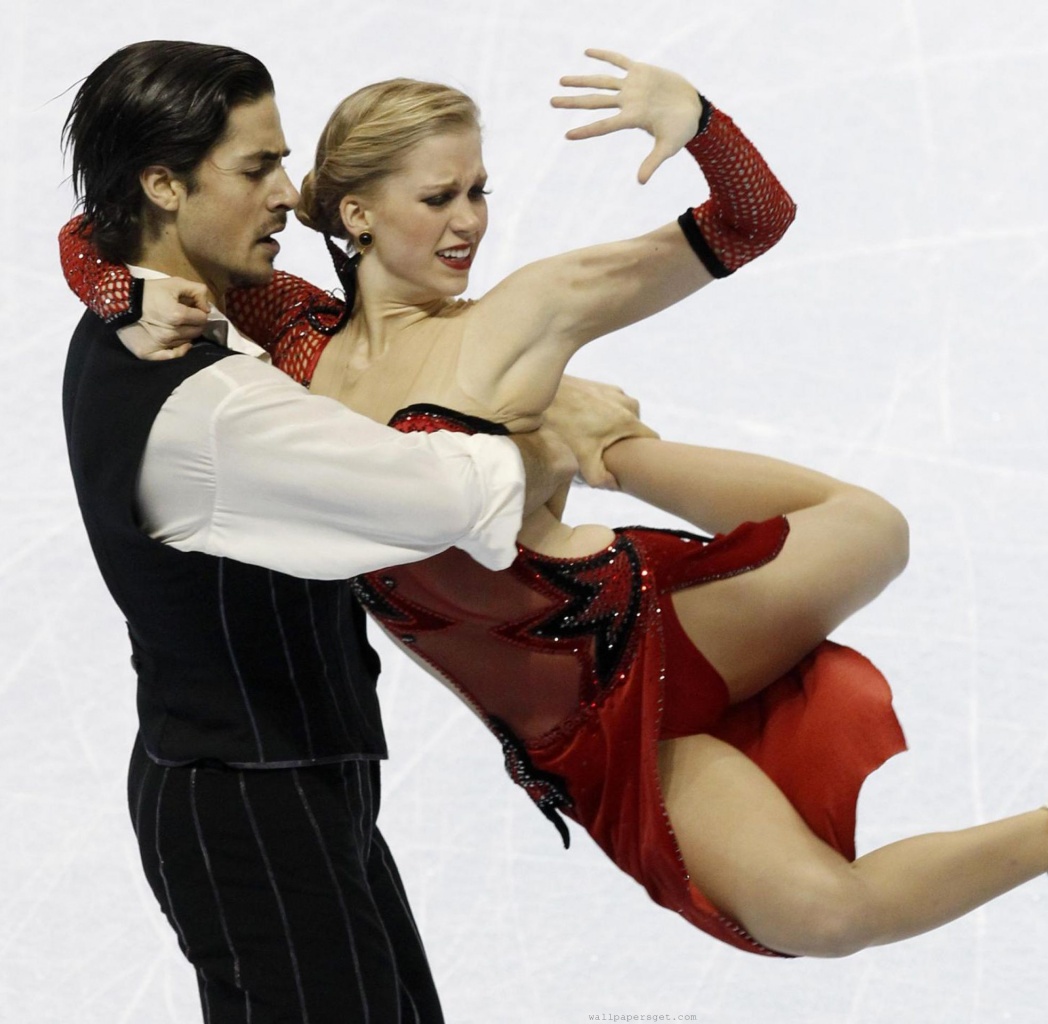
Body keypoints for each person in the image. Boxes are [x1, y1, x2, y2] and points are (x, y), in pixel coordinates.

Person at [65, 49, 1048, 961]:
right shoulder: (289, 333)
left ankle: (626, 451)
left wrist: (694, 126)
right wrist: (116, 288)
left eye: (479, 190)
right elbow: (104, 222)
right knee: (818, 915)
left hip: (630, 626)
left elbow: (750, 220)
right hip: (566, 733)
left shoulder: (527, 307)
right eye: (438, 196)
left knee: (873, 530)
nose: (470, 221)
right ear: (354, 211)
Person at [59, 40, 648, 1023]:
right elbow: (441, 497)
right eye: (256, 168)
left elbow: (90, 229)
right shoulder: (209, 404)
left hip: (287, 781)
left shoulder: (190, 315)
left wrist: (110, 278)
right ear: (163, 184)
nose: (290, 194)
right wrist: (553, 428)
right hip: (250, 798)